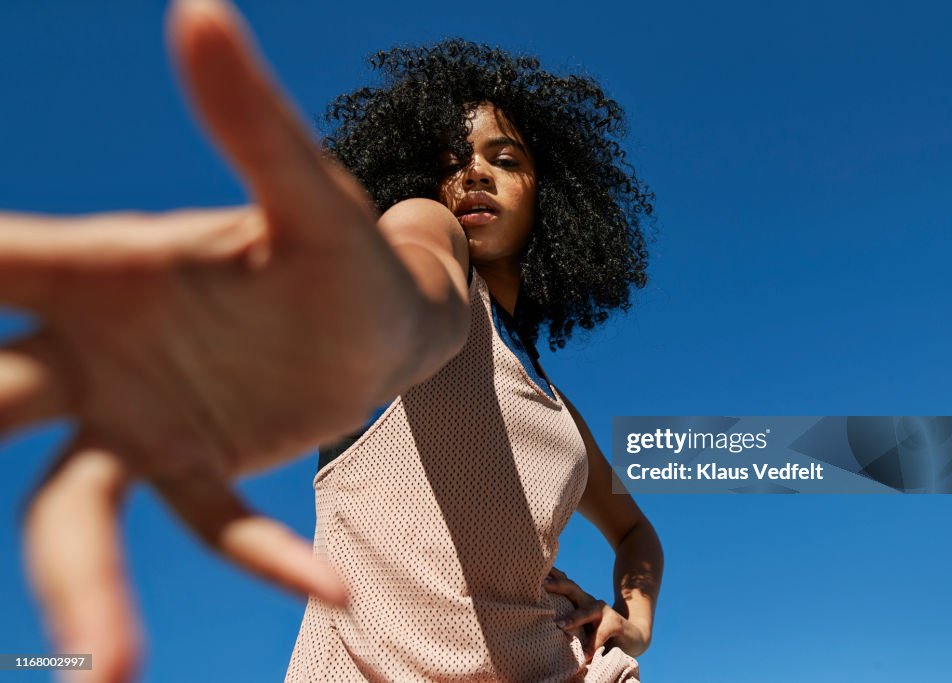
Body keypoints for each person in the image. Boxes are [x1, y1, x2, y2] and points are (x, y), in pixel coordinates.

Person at [5, 0, 663, 681]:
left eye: (505, 158)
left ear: (548, 197)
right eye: (451, 162)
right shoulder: (428, 241)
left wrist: (632, 620)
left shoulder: (560, 413)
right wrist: (358, 311)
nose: (473, 173)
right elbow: (415, 282)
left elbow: (636, 532)